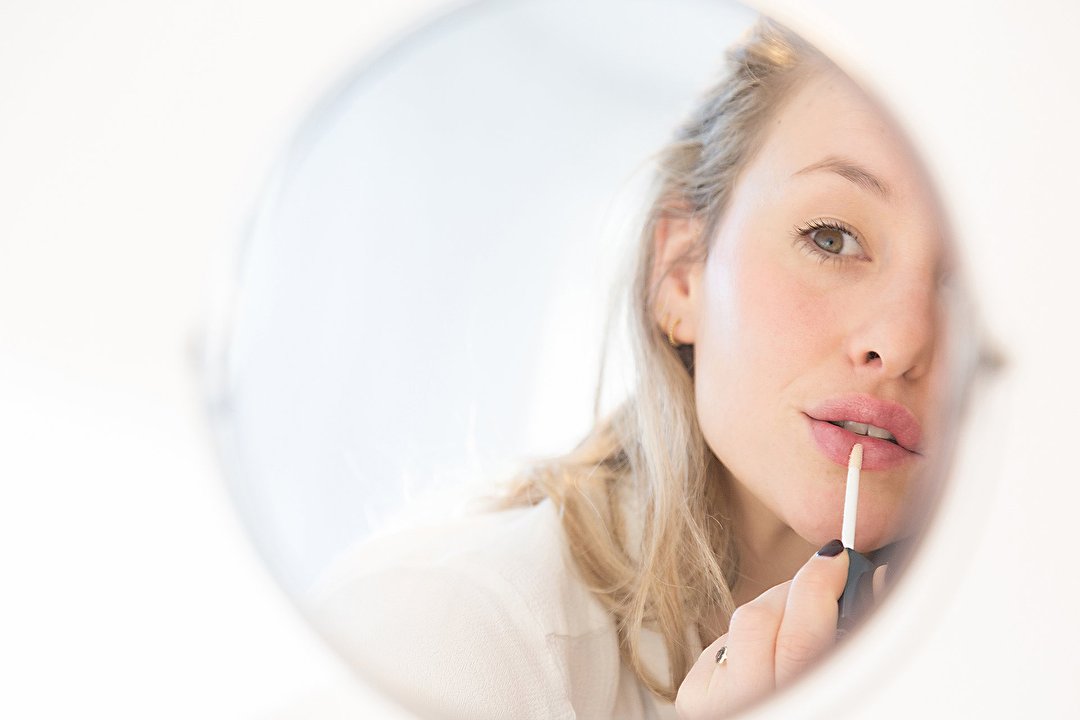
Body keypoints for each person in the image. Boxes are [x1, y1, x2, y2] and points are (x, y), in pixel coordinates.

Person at [310, 17, 951, 720]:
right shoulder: (451, 639)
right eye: (830, 237)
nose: (901, 342)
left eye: (970, 291)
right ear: (680, 274)